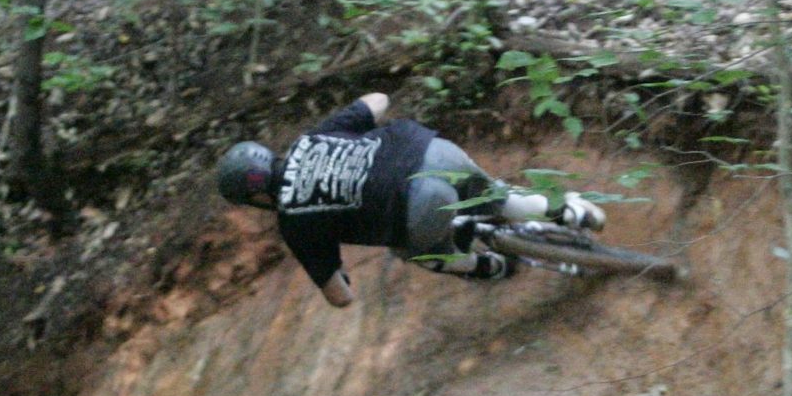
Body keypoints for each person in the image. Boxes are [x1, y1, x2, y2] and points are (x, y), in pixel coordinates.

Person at [216, 93, 604, 308]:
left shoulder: (294, 222)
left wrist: (342, 284)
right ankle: (570, 210)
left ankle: (488, 266)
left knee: (415, 253)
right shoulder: (314, 137)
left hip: (418, 205)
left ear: (255, 196)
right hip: (432, 150)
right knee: (499, 199)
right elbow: (379, 100)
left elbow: (340, 297)